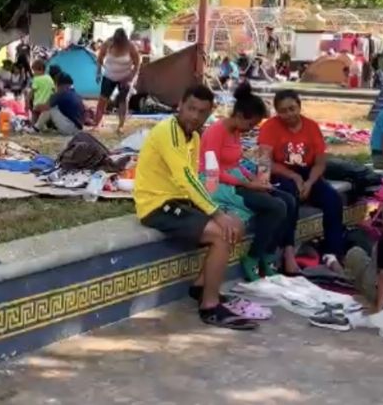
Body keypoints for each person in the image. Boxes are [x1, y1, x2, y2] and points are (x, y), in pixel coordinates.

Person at [134, 85, 255, 330]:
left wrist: (217, 210)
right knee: (222, 233)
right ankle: (210, 306)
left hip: (180, 201)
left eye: (202, 112)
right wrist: (216, 213)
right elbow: (185, 178)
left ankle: (201, 286)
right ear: (180, 105)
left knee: (237, 225)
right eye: (191, 109)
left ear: (209, 113)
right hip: (157, 205)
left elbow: (195, 179)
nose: (195, 116)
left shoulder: (195, 136)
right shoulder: (167, 132)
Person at [201, 83, 299, 278]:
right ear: (239, 116)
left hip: (236, 179)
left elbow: (236, 163)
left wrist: (254, 178)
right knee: (275, 206)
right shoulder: (215, 132)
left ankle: (268, 253)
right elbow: (214, 171)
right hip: (218, 183)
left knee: (288, 200)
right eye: (250, 124)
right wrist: (247, 184)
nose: (250, 130)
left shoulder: (236, 132)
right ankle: (254, 256)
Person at [258, 90, 345, 259]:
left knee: (333, 199)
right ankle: (288, 249)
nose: (288, 114)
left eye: (292, 108)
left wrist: (311, 182)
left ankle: (332, 253)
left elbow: (320, 162)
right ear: (277, 112)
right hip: (281, 173)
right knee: (291, 196)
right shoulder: (269, 127)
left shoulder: (311, 127)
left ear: (299, 106)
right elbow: (264, 162)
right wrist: (294, 176)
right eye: (283, 111)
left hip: (309, 172)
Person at [94, 28, 141, 132]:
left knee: (123, 101)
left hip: (125, 77)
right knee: (102, 100)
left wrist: (131, 78)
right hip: (109, 76)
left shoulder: (130, 46)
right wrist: (98, 72)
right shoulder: (108, 43)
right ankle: (97, 123)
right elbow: (100, 57)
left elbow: (137, 63)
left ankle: (121, 126)